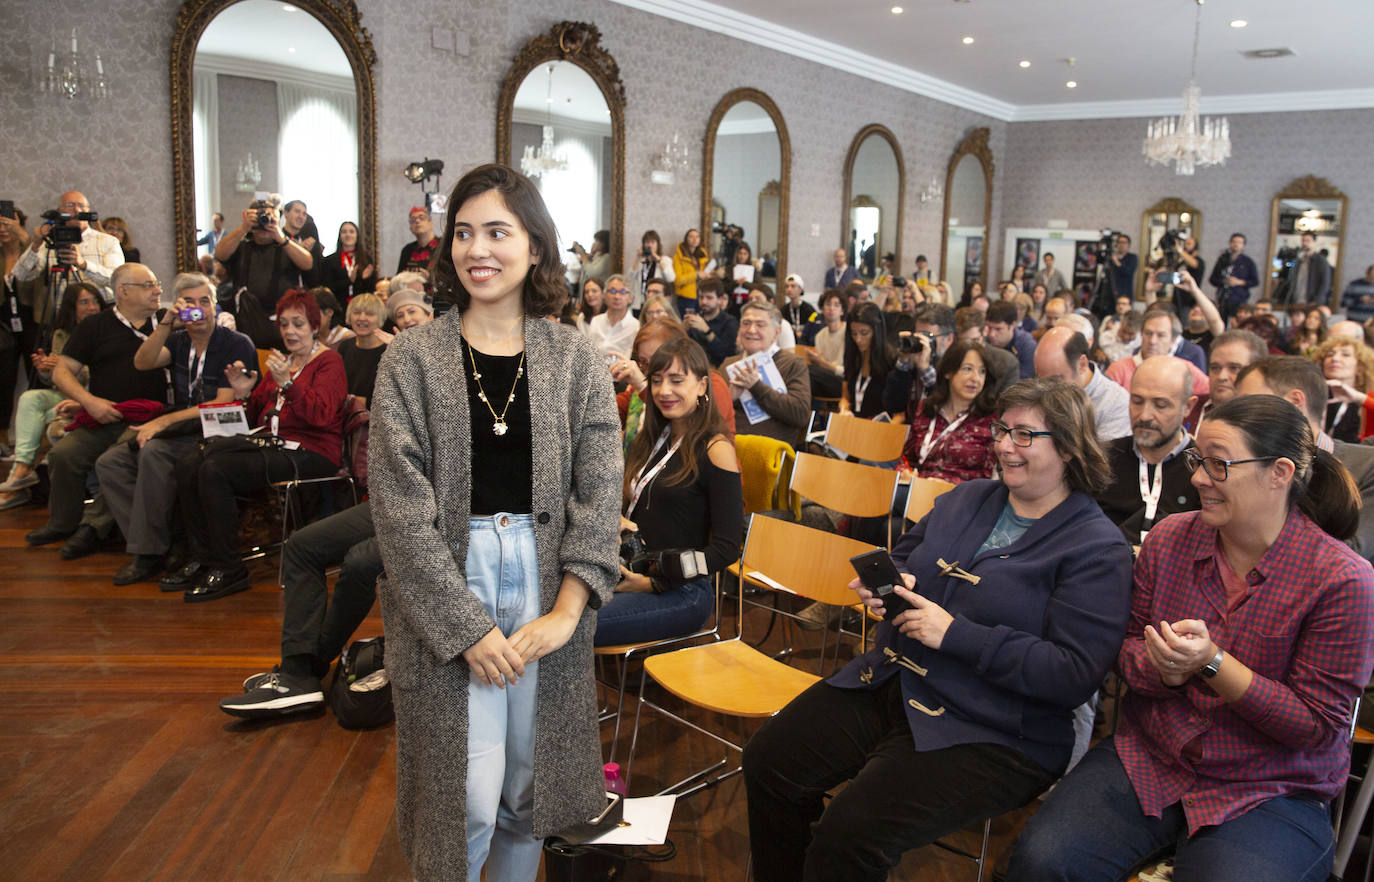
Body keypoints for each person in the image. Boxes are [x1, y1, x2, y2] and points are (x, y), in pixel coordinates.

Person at [744, 377, 1134, 882]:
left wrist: (955, 634)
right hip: (900, 680)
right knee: (769, 763)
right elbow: (906, 557)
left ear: (1068, 445)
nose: (1002, 446)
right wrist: (891, 584)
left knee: (849, 836)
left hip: (997, 727)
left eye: (1023, 435)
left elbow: (1072, 673)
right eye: (1000, 430)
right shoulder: (967, 498)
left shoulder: (1095, 547)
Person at [368, 163, 620, 881]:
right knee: (462, 802)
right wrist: (466, 627)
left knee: (527, 794)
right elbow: (398, 506)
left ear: (535, 247)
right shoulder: (413, 358)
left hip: (549, 582)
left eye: (498, 232)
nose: (478, 249)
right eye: (465, 233)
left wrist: (570, 610)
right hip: (454, 577)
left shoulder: (574, 357)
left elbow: (601, 493)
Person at [1006, 394, 1374, 882]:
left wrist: (1213, 664)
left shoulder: (1341, 579)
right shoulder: (1171, 539)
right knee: (1041, 862)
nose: (1198, 477)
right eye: (1198, 460)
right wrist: (1165, 670)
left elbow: (1316, 727)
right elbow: (1127, 647)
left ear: (1279, 473)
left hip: (1270, 787)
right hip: (1151, 757)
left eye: (1218, 464)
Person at [165, 288, 347, 602]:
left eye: (299, 324)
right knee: (189, 459)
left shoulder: (329, 362)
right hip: (271, 443)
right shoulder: (283, 361)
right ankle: (201, 556)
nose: (290, 331)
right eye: (285, 324)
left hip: (311, 451)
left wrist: (287, 384)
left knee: (215, 469)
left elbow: (320, 417)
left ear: (314, 326)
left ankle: (228, 567)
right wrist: (244, 392)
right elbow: (254, 417)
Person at [93, 272, 255, 584]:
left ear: (215, 305)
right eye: (190, 303)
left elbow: (222, 404)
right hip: (183, 429)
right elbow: (143, 362)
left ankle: (147, 554)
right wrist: (165, 322)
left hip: (216, 430)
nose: (199, 309)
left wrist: (164, 421)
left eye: (204, 301)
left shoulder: (235, 343)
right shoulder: (179, 341)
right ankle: (162, 540)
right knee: (110, 463)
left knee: (153, 452)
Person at [596, 337, 742, 645]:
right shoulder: (652, 437)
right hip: (629, 569)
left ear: (702, 386)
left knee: (572, 626)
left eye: (677, 381)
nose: (664, 391)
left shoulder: (716, 449)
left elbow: (727, 550)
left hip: (683, 591)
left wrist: (656, 582)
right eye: (657, 381)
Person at [23, 264, 168, 558]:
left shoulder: (166, 322)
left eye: (157, 284)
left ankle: (91, 528)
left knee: (114, 460)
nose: (158, 291)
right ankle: (62, 523)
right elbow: (63, 372)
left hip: (149, 418)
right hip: (102, 414)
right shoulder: (96, 326)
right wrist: (88, 401)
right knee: (63, 455)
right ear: (123, 291)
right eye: (149, 285)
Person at [1235, 356, 1374, 561]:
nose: (1238, 417)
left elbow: (1351, 552)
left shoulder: (1366, 465)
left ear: (1295, 401)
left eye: (1251, 404)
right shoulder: (1243, 464)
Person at [0, 282, 104, 510]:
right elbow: (55, 379)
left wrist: (68, 367)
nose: (92, 307)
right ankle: (22, 468)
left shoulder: (105, 330)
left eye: (95, 301)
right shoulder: (61, 334)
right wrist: (46, 370)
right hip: (65, 394)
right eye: (84, 302)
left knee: (51, 420)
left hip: (92, 395)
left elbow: (101, 373)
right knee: (30, 397)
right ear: (72, 307)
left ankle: (18, 484)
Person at [1096, 356, 1200, 545]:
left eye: (1160, 405)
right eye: (1136, 401)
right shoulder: (1102, 458)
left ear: (1188, 407)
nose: (1144, 415)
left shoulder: (1202, 468)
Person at [610, 319, 734, 451]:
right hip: (651, 466)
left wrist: (643, 386)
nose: (650, 369)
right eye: (644, 362)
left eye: (657, 359)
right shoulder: (646, 383)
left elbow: (697, 432)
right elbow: (611, 412)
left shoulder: (712, 383)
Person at [12, 190, 124, 320]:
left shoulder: (108, 241)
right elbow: (21, 274)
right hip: (65, 317)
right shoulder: (51, 241)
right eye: (70, 205)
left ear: (88, 211)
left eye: (81, 206)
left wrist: (83, 264)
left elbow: (117, 280)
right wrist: (35, 245)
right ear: (60, 211)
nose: (77, 210)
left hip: (102, 314)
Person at [899, 339, 998, 484]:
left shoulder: (991, 419)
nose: (975, 378)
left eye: (982, 371)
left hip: (961, 499)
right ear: (948, 372)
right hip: (918, 492)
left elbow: (989, 480)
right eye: (968, 369)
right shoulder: (927, 409)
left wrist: (951, 488)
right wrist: (905, 473)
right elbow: (906, 458)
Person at [721, 300, 810, 445]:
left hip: (769, 451)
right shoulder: (729, 364)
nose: (751, 330)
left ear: (777, 332)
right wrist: (729, 397)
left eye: (760, 325)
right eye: (746, 323)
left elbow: (799, 415)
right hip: (726, 444)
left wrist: (756, 386)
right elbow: (709, 415)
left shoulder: (793, 364)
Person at [215, 195, 314, 319]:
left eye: (269, 218)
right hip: (247, 317)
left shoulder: (286, 246)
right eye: (259, 219)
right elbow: (219, 254)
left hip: (281, 318)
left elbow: (307, 263)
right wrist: (244, 228)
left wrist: (279, 235)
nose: (264, 224)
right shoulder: (242, 246)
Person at [1035, 326, 1131, 441]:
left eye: (1054, 381)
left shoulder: (1116, 404)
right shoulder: (1042, 389)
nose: (1046, 388)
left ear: (1082, 364)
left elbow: (1103, 458)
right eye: (1041, 380)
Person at [1106, 309, 1210, 394]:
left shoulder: (1185, 370)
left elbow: (1213, 391)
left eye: (1161, 335)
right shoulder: (1118, 370)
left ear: (1173, 340)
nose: (1153, 341)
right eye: (1148, 333)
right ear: (1141, 334)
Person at [1311, 336, 1374, 442]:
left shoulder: (1368, 399)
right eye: (1330, 354)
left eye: (1345, 355)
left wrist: (1360, 398)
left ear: (1360, 366)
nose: (1335, 359)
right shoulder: (1312, 396)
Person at [840, 302, 896, 419]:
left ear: (876, 331)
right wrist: (844, 408)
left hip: (879, 428)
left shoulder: (891, 361)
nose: (858, 339)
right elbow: (845, 397)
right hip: (854, 422)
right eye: (854, 333)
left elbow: (899, 414)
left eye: (864, 333)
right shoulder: (852, 356)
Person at [336, 293, 393, 407]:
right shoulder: (344, 347)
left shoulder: (389, 351)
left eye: (369, 314)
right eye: (356, 313)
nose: (362, 318)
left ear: (380, 318)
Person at [799, 288, 846, 399]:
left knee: (804, 371)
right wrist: (816, 361)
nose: (831, 308)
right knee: (801, 379)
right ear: (822, 309)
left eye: (836, 305)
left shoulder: (848, 332)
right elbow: (821, 368)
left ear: (842, 311)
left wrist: (821, 363)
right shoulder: (820, 335)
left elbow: (844, 372)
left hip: (843, 382)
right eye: (828, 304)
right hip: (823, 379)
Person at [318, 221, 376, 303]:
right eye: (344, 232)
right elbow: (327, 288)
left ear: (357, 236)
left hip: (361, 305)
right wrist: (348, 281)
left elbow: (372, 289)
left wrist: (365, 279)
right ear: (340, 236)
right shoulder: (329, 261)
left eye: (351, 232)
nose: (348, 235)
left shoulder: (366, 259)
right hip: (338, 306)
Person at [684, 278, 737, 367]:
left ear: (720, 300)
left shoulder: (729, 322)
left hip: (718, 370)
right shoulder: (695, 319)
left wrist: (707, 331)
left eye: (709, 298)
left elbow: (725, 354)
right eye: (701, 297)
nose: (704, 301)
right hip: (692, 367)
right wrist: (683, 330)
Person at [1209, 233, 1260, 324]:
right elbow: (1212, 279)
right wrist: (1224, 281)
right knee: (1220, 323)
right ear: (1230, 243)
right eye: (1234, 242)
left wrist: (1240, 282)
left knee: (1237, 323)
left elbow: (1255, 281)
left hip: (1239, 299)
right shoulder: (1223, 260)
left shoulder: (1248, 262)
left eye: (1239, 242)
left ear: (1243, 245)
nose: (1236, 244)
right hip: (1222, 298)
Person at [586, 273, 639, 358]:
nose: (617, 296)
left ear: (631, 298)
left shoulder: (635, 327)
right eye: (613, 291)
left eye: (623, 292)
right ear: (604, 295)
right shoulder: (596, 321)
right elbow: (588, 351)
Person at [984, 301, 1037, 379]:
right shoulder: (983, 341)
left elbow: (1024, 383)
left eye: (998, 329)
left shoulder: (1027, 346)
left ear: (1012, 325)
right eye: (989, 327)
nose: (992, 334)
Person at [1283, 232, 1333, 306]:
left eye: (1308, 240)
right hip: (1297, 300)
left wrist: (1317, 300)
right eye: (1303, 240)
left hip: (1312, 301)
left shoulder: (1321, 261)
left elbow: (1325, 283)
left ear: (1314, 242)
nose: (1305, 243)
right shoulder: (1299, 260)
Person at [671, 228, 713, 315]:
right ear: (686, 239)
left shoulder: (702, 256)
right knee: (689, 323)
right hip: (686, 296)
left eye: (697, 237)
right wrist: (696, 275)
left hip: (701, 295)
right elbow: (678, 280)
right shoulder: (678, 257)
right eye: (691, 237)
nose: (695, 239)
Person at [631, 229, 674, 306]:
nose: (650, 245)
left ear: (658, 245)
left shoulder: (664, 260)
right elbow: (630, 276)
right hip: (640, 302)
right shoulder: (641, 261)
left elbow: (671, 278)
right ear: (643, 245)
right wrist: (638, 257)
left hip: (658, 301)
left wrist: (657, 258)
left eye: (652, 242)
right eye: (647, 242)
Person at [397, 206, 440, 275]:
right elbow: (398, 277)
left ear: (431, 224)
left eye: (422, 218)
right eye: (413, 220)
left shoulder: (444, 245)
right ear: (411, 228)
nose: (417, 221)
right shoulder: (407, 250)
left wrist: (430, 278)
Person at [782, 273, 819, 344]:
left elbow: (814, 330)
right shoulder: (783, 310)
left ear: (800, 289)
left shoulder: (809, 310)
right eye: (787, 286)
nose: (789, 289)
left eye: (793, 286)